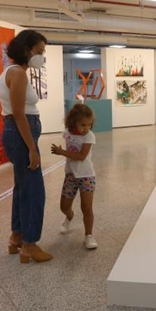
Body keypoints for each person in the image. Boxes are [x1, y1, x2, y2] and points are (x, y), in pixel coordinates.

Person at [0, 29, 53, 263]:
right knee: (34, 190)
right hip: (21, 133)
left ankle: (17, 237)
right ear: (26, 49)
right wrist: (32, 148)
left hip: (18, 132)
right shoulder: (18, 74)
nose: (41, 56)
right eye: (39, 51)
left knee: (22, 187)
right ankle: (29, 244)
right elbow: (19, 114)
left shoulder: (12, 72)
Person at [51, 104, 98, 250]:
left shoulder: (89, 136)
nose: (87, 127)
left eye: (89, 124)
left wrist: (62, 152)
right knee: (64, 206)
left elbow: (81, 156)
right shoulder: (67, 133)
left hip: (87, 176)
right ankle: (69, 217)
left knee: (87, 207)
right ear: (73, 122)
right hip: (70, 175)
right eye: (83, 124)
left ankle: (88, 236)